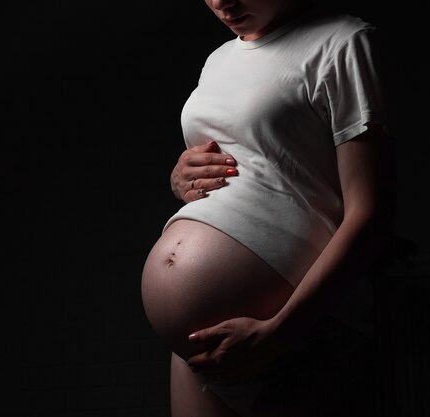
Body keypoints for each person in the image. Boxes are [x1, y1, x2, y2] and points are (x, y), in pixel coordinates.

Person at [140, 0, 396, 415]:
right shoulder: (218, 60)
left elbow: (372, 213)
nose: (223, 2)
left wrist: (280, 332)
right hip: (197, 348)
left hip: (297, 328)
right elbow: (252, 170)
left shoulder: (343, 42)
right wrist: (180, 178)